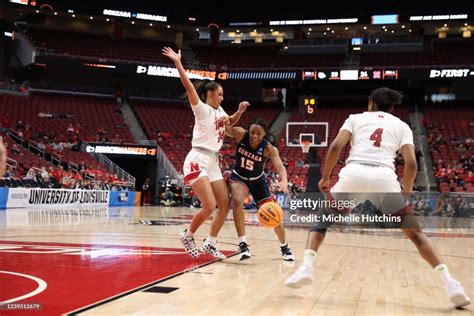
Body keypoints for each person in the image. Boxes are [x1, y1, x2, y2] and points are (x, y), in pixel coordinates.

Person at [284, 87, 471, 308]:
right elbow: (411, 163)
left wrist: (325, 177)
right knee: (417, 235)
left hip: (354, 175)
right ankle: (451, 284)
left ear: (371, 103)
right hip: (384, 178)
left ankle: (306, 267)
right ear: (392, 107)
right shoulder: (402, 126)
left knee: (321, 223)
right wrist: (406, 193)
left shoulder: (355, 118)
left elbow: (335, 146)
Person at [162, 47, 249, 259]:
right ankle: (188, 235)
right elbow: (188, 85)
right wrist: (178, 63)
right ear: (210, 94)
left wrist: (239, 112)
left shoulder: (220, 111)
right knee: (209, 205)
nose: (222, 97)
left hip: (212, 161)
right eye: (219, 94)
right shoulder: (201, 109)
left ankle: (210, 242)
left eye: (223, 95)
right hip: (197, 159)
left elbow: (229, 127)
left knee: (225, 203)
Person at [226, 119, 295, 261]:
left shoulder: (269, 148)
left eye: (258, 133)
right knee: (237, 201)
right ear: (248, 131)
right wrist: (236, 115)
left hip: (258, 181)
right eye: (252, 132)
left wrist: (284, 180)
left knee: (275, 216)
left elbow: (281, 167)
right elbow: (225, 128)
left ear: (264, 134)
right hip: (239, 177)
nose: (254, 136)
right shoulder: (240, 134)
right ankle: (243, 244)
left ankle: (284, 247)